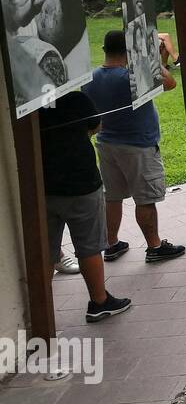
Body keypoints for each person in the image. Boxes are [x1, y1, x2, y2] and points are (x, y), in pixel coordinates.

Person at [82, 30, 186, 264]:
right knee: (144, 198)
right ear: (129, 51)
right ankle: (154, 246)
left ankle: (111, 244)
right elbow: (170, 83)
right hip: (138, 145)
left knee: (113, 196)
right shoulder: (132, 76)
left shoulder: (90, 78)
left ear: (105, 50)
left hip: (106, 143)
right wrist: (150, 59)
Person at [39, 90, 133, 324]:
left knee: (45, 250)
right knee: (89, 247)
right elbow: (96, 126)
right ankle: (99, 302)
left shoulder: (28, 103)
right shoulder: (74, 98)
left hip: (42, 185)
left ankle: (39, 309)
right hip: (81, 182)